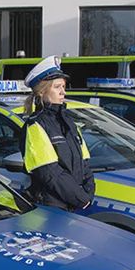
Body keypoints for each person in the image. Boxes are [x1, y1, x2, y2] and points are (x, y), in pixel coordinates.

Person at [20, 55, 95, 209]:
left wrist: (88, 192)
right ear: (42, 92)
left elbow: (84, 162)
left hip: (71, 204)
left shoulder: (69, 122)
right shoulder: (35, 125)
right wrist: (80, 198)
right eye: (57, 87)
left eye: (63, 87)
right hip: (51, 207)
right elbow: (49, 172)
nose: (63, 92)